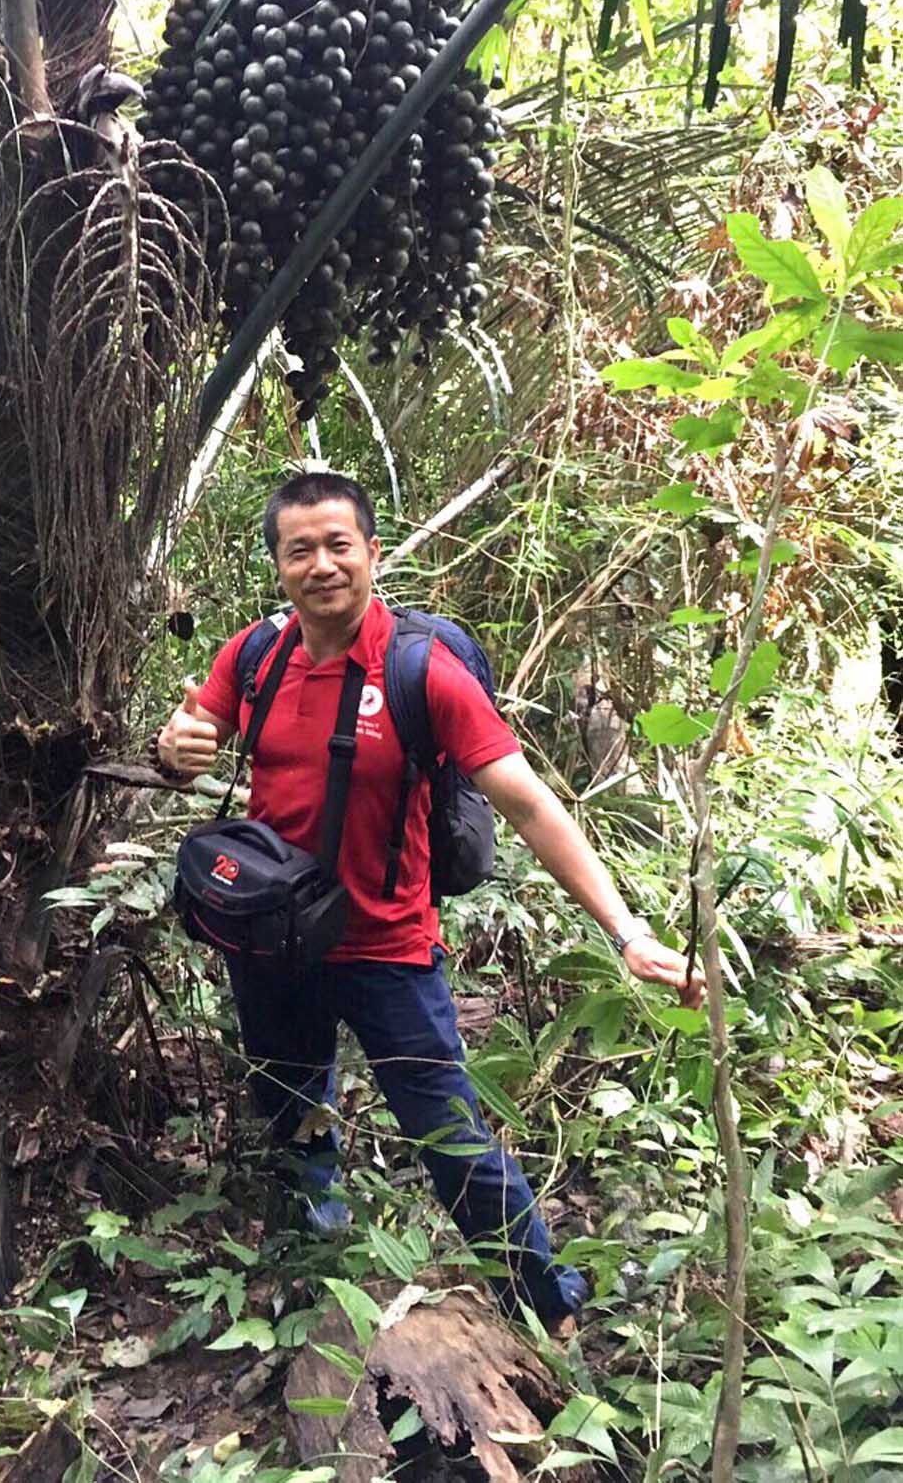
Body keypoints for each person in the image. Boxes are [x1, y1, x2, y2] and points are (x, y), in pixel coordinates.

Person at [152, 470, 705, 1333]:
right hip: (274, 947)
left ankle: (544, 1300)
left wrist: (626, 930)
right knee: (296, 1123)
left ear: (372, 552)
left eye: (340, 545)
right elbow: (193, 737)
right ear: (280, 564)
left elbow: (528, 804)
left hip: (388, 950)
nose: (323, 565)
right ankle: (317, 1279)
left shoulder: (420, 669)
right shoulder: (254, 656)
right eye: (302, 549)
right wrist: (175, 746)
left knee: (455, 1144)